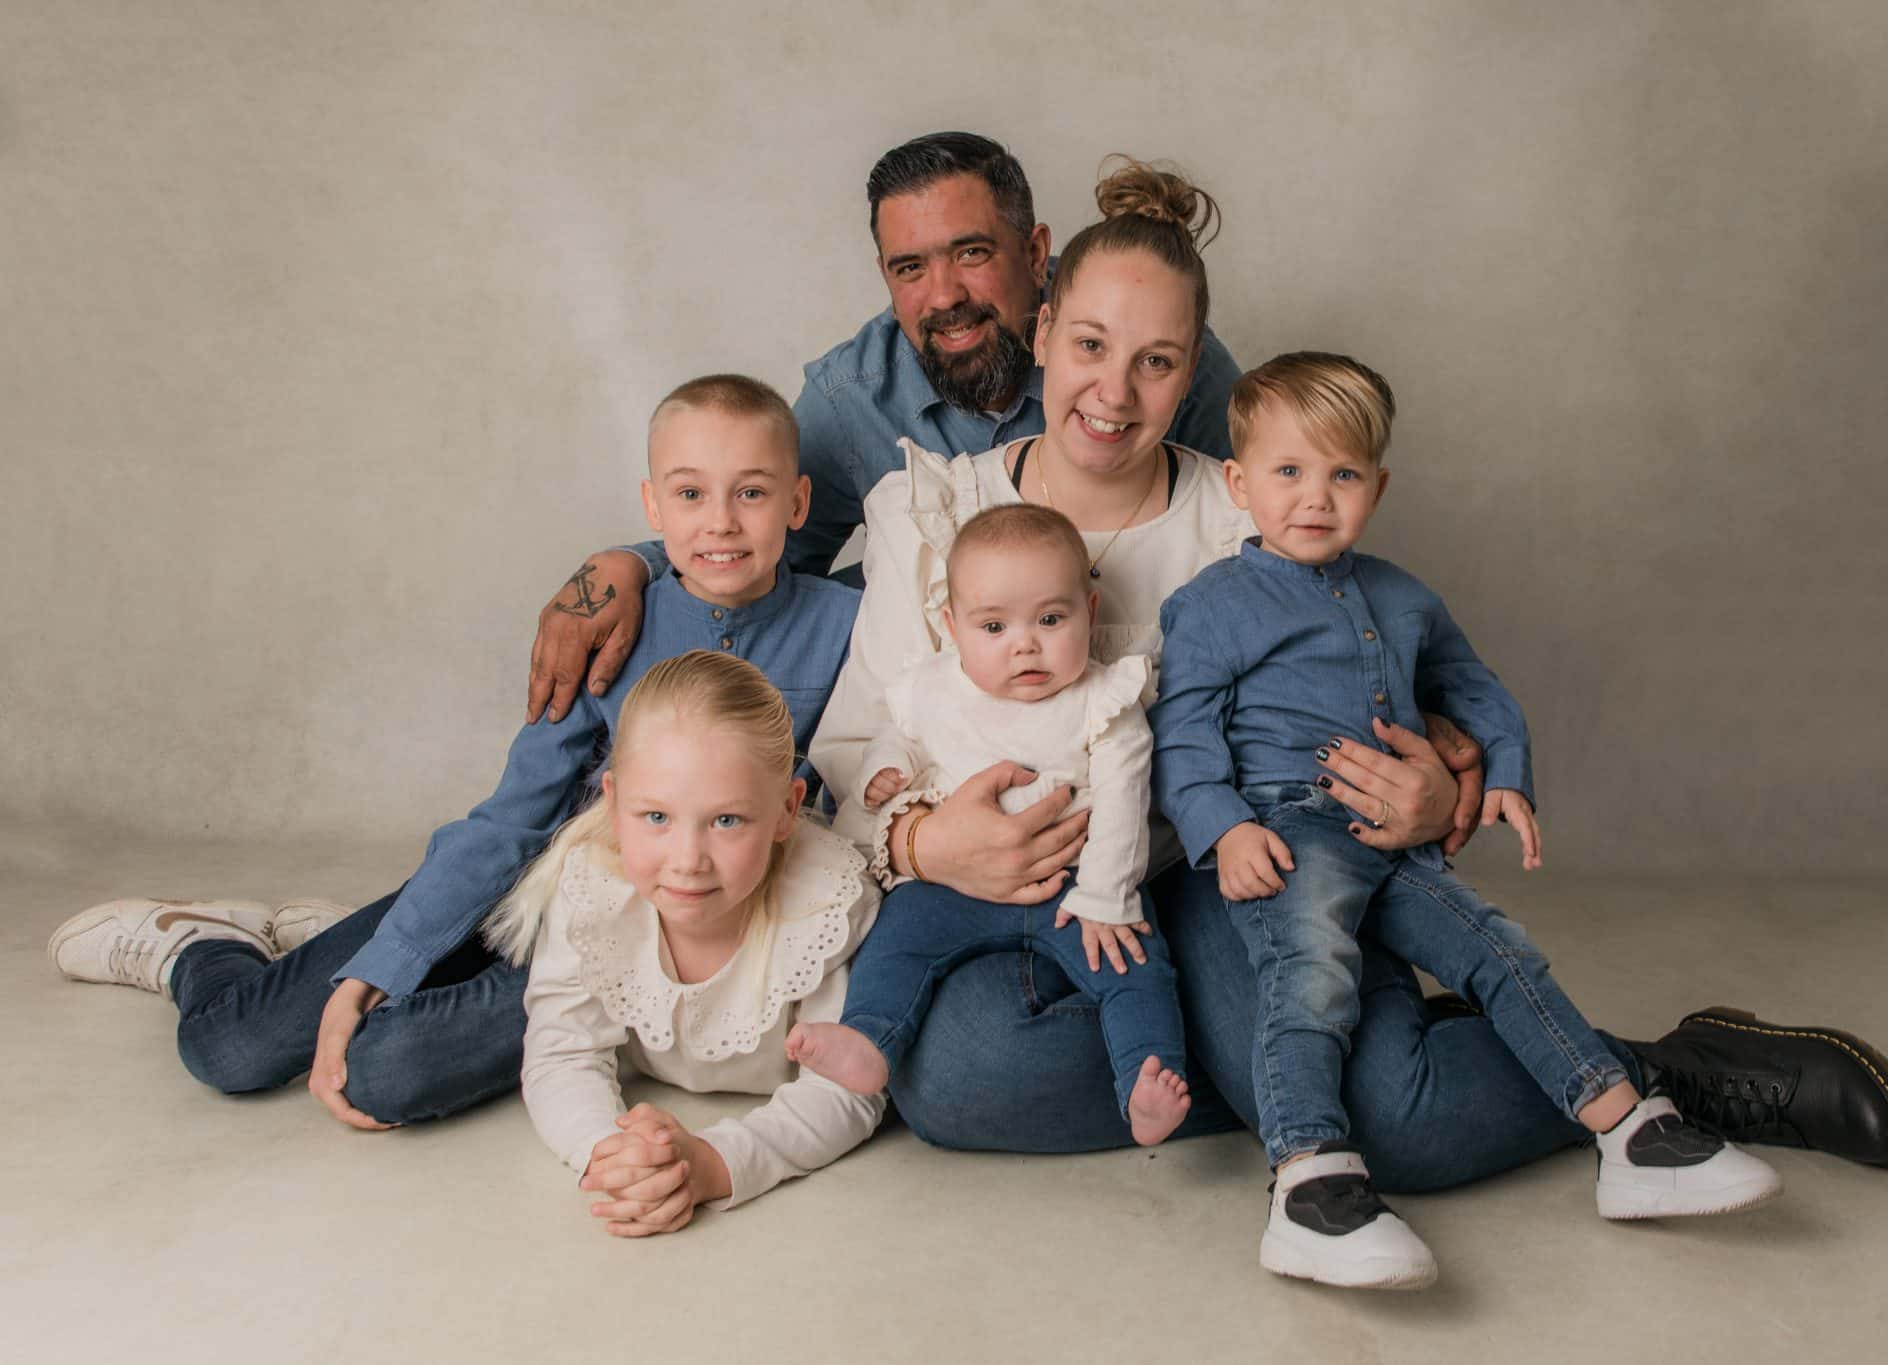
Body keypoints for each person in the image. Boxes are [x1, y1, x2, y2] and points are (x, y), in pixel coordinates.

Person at [804, 156, 1888, 1201]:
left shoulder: (1243, 516)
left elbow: (1368, 688)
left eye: (1156, 360)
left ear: (1193, 370)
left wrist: (1428, 789)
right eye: (1089, 344)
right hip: (1014, 900)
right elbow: (846, 763)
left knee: (1404, 1123)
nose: (1114, 391)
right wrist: (921, 842)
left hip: (1222, 875)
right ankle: (1283, 1073)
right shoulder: (929, 512)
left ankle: (1661, 1068)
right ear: (1043, 330)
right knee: (958, 1079)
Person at [46, 375, 861, 1129]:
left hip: (653, 940)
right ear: (652, 505)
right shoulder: (614, 625)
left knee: (382, 1070)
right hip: (533, 903)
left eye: (751, 493)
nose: (719, 522)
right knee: (231, 1050)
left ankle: (342, 944)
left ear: (796, 503)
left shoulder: (845, 627)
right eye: (690, 493)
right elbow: (510, 820)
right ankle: (202, 945)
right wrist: (382, 964)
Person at [1151, 352, 1786, 1289]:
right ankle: (1309, 1180)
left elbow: (1473, 691)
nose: (1315, 498)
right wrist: (1223, 829)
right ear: (1240, 483)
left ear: (1379, 484)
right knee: (1312, 973)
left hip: (1395, 841)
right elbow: (1182, 734)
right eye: (1288, 472)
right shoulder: (1210, 605)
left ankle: (1628, 1132)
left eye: (1343, 475)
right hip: (1289, 834)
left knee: (1500, 947)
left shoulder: (1405, 598)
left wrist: (1506, 778)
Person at [523, 131, 1246, 726]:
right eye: (910, 268)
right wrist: (632, 563)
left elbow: (1251, 524)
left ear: (1034, 254)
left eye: (971, 252)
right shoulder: (850, 400)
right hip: (919, 715)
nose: (944, 296)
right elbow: (753, 543)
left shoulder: (1159, 344)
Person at [786, 504, 1192, 1147]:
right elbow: (899, 736)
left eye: (1051, 619)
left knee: (1136, 964)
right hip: (954, 888)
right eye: (994, 625)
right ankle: (869, 1038)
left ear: (1091, 611)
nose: (1024, 643)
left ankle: (1148, 1082)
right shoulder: (934, 688)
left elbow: (1122, 805)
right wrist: (885, 771)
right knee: (895, 940)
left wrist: (1106, 898)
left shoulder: (1103, 700)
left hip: (1074, 890)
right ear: (952, 627)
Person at [485, 651, 882, 1237]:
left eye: (726, 821)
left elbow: (849, 1089)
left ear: (787, 809)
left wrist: (714, 1165)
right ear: (615, 801)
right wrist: (613, 1156)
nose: (688, 861)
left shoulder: (829, 901)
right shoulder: (595, 888)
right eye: (656, 817)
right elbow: (563, 1054)